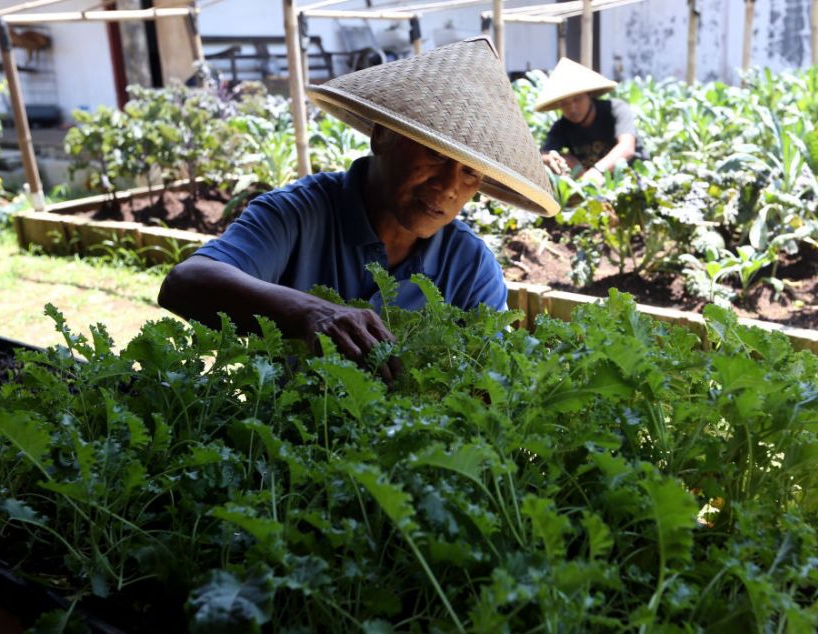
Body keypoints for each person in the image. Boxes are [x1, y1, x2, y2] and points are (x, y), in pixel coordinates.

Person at [157, 37, 557, 380]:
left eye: (470, 173)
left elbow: (496, 378)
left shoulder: (468, 265)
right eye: (435, 154)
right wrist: (308, 314)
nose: (449, 186)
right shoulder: (298, 214)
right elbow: (186, 282)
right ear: (382, 136)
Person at [535, 58, 641, 181]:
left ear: (588, 95)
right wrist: (555, 158)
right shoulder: (562, 127)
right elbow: (543, 153)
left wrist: (597, 171)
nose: (572, 108)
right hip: (596, 188)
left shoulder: (616, 109)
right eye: (564, 103)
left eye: (577, 99)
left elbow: (627, 147)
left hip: (632, 180)